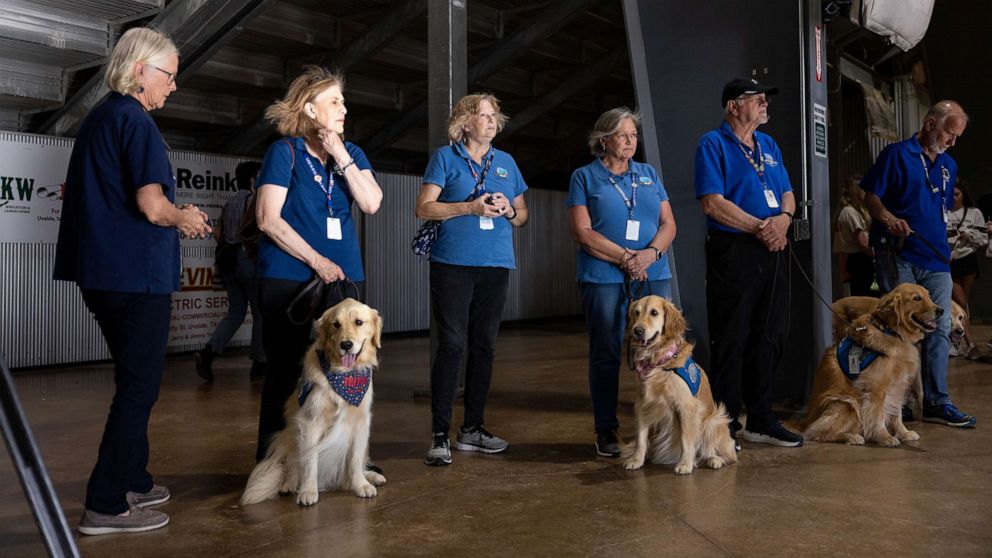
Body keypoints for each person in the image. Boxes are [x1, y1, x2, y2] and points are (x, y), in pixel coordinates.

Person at [53, 27, 211, 535]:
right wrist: (182, 216)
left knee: (133, 380)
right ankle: (105, 504)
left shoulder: (102, 117)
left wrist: (171, 210)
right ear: (140, 69)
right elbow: (151, 206)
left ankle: (134, 478)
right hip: (133, 277)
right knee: (139, 389)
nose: (173, 85)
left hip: (102, 272)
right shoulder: (137, 123)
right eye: (169, 75)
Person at [254, 66, 383, 461]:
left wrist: (341, 152)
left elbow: (371, 202)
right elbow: (267, 219)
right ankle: (271, 461)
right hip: (290, 279)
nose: (344, 108)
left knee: (349, 371)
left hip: (344, 281)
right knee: (286, 373)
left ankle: (345, 458)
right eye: (334, 101)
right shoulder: (284, 152)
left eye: (343, 101)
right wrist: (317, 260)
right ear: (310, 109)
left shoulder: (352, 154)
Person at [416, 93, 529, 466]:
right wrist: (470, 207)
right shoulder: (445, 158)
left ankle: (473, 430)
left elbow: (523, 216)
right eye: (483, 115)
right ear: (466, 123)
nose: (492, 121)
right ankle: (439, 435)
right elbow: (424, 207)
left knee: (485, 346)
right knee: (451, 346)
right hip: (452, 264)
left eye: (494, 115)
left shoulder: (507, 163)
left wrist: (509, 209)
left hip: (496, 265)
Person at [694, 77, 803, 448]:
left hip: (774, 247)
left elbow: (788, 192)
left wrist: (784, 221)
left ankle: (761, 418)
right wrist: (761, 226)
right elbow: (712, 202)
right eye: (755, 99)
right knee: (732, 336)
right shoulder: (712, 143)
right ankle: (724, 423)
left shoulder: (769, 144)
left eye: (764, 99)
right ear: (732, 106)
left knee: (770, 334)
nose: (763, 104)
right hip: (735, 249)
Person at [566, 107, 676, 457]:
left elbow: (668, 224)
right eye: (622, 135)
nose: (630, 141)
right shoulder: (584, 177)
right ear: (603, 140)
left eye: (633, 135)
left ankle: (663, 427)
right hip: (603, 277)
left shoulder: (648, 174)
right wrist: (626, 258)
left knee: (664, 349)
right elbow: (582, 232)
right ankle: (607, 430)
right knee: (607, 351)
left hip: (653, 274)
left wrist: (650, 255)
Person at [861, 100, 976, 428]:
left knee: (939, 327)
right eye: (949, 133)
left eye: (957, 137)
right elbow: (870, 197)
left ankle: (938, 401)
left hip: (936, 258)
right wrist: (888, 218)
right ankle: (899, 401)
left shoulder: (948, 165)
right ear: (930, 124)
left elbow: (937, 208)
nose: (952, 141)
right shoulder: (896, 154)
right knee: (899, 328)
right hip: (899, 253)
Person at [194, 161, 267, 382]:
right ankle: (259, 363)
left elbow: (219, 233)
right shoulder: (253, 200)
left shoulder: (229, 202)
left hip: (227, 263)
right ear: (253, 179)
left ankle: (209, 353)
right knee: (260, 312)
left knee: (235, 313)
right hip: (247, 261)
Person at [945, 180, 986, 358]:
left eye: (957, 194)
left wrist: (968, 233)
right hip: (949, 261)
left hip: (968, 260)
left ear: (963, 195)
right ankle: (970, 343)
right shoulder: (944, 212)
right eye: (951, 194)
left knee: (962, 303)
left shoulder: (974, 212)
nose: (954, 198)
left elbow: (983, 239)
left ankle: (956, 340)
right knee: (960, 302)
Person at [834, 175, 875, 296]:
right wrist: (876, 256)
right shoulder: (850, 212)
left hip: (856, 258)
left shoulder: (854, 210)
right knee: (863, 296)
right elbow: (862, 241)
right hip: (858, 259)